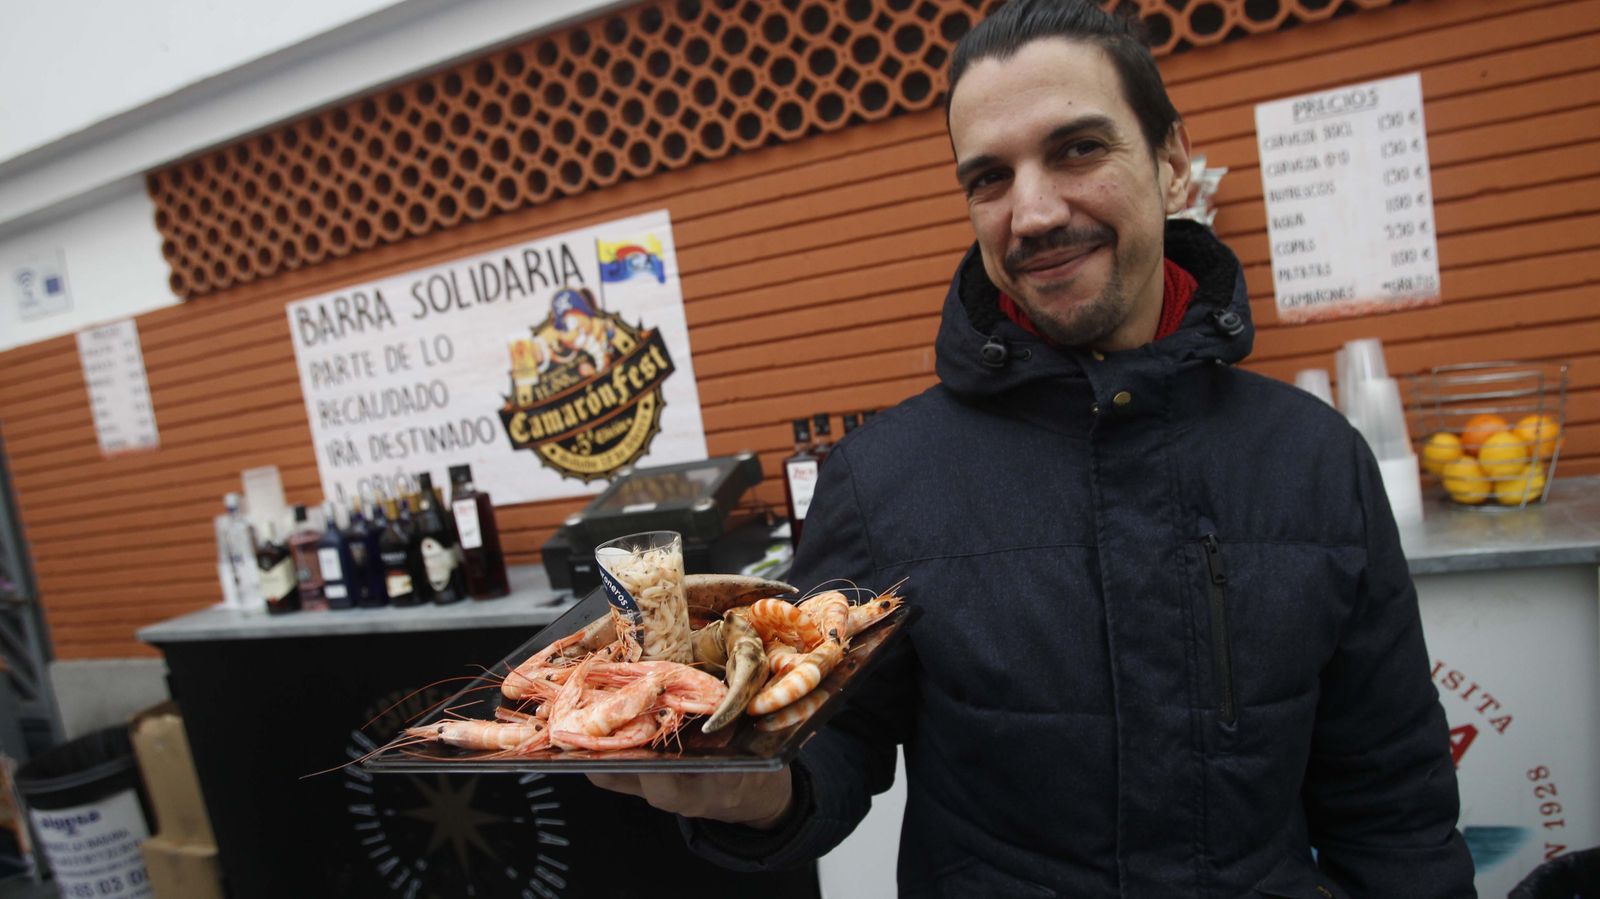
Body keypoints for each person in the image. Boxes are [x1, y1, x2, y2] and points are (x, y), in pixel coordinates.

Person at [590, 1, 1477, 895]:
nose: (1035, 211)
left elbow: (1393, 807)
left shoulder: (1317, 460)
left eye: (1077, 150)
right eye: (989, 177)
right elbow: (836, 740)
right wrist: (755, 790)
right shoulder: (881, 477)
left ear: (1171, 162)